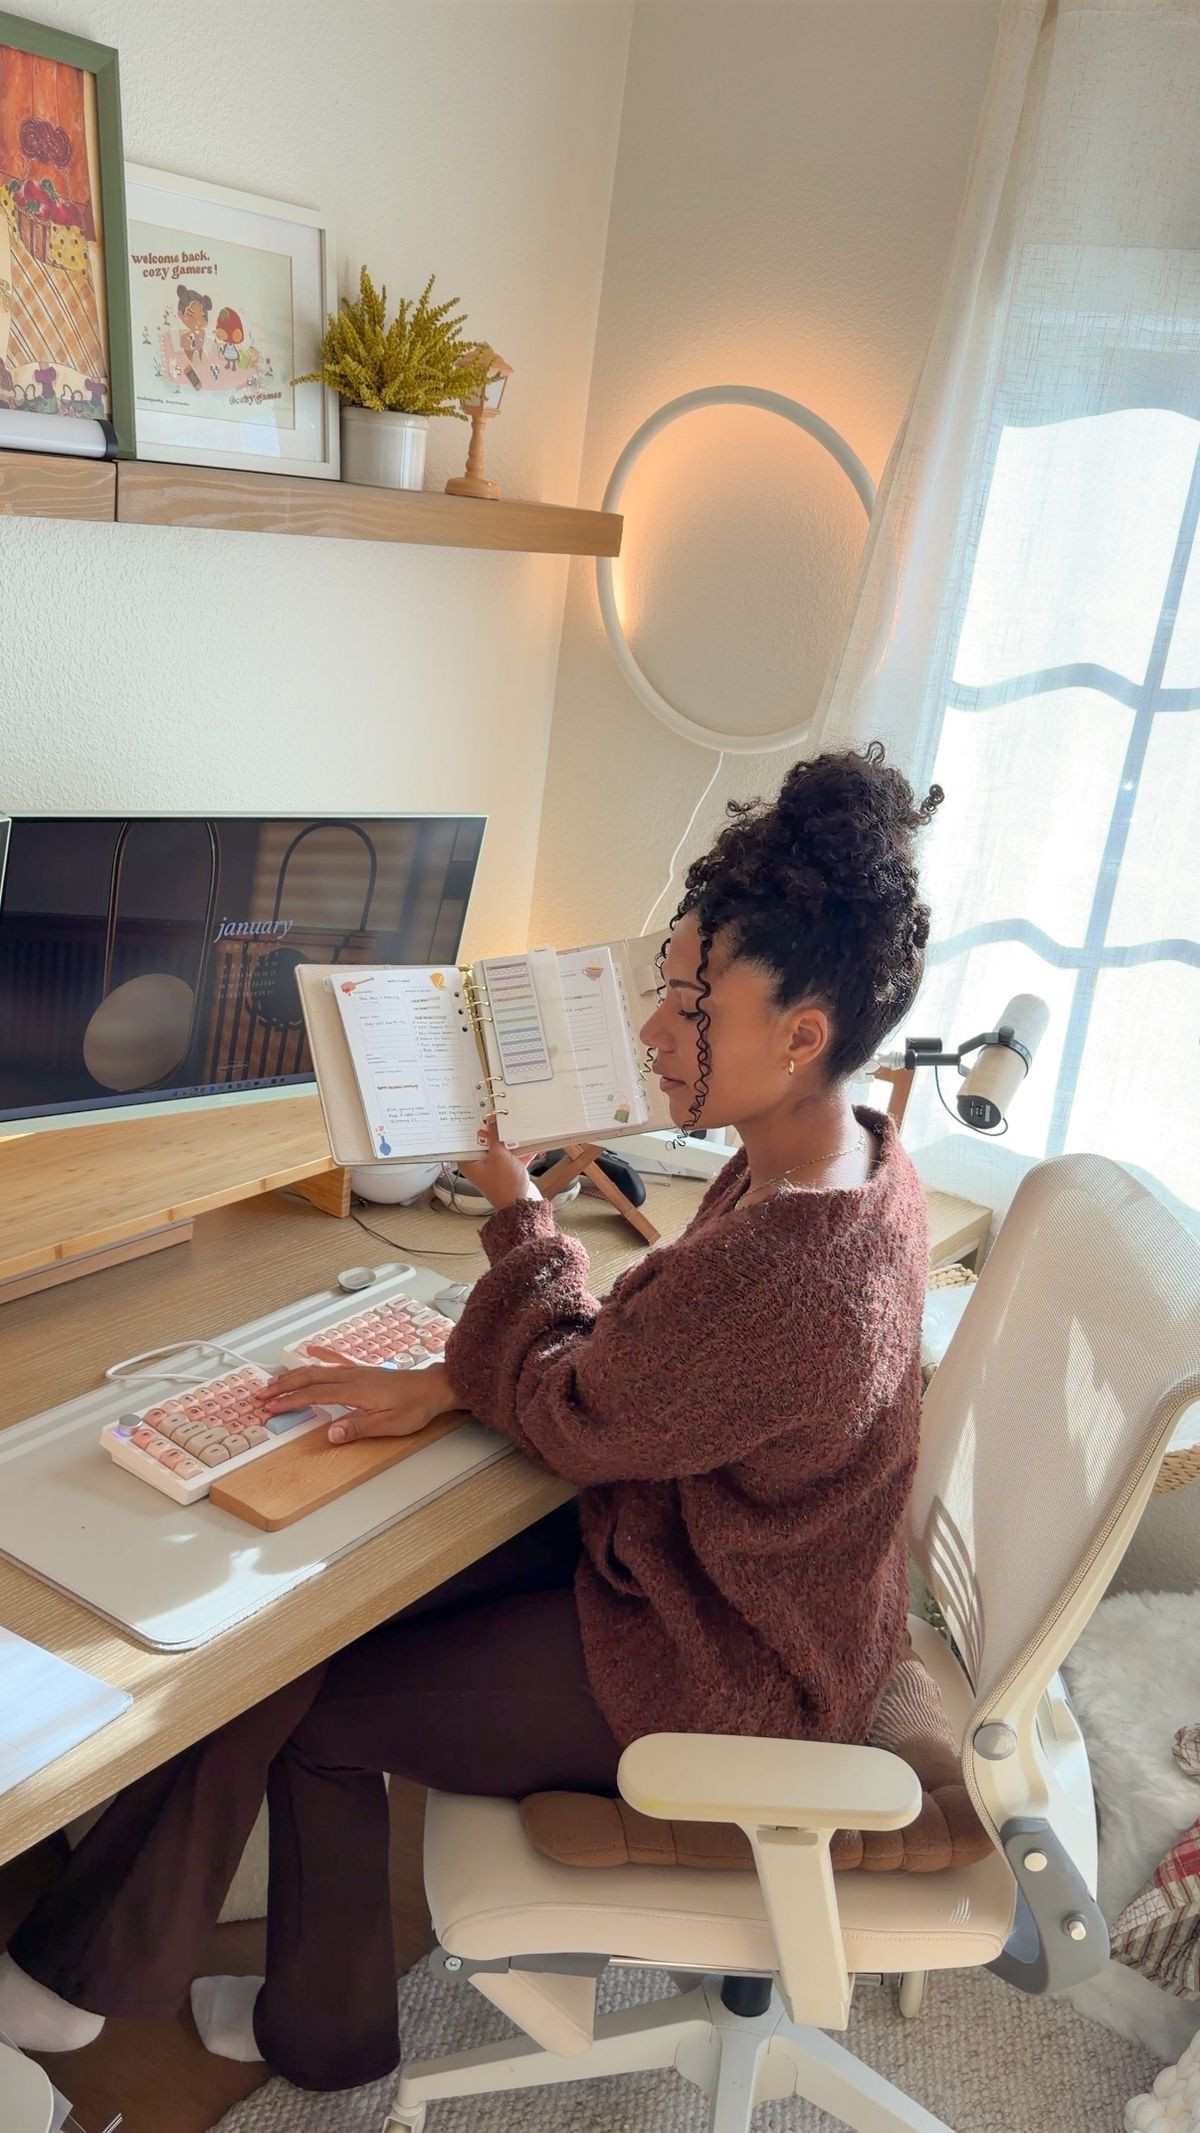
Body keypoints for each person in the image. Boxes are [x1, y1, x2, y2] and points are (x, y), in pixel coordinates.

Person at [0, 746, 942, 2092]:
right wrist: (446, 1376)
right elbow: (637, 1370)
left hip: (725, 1664)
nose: (655, 1030)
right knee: (309, 1608)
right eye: (666, 984)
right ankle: (91, 1972)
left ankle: (303, 2028)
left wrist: (516, 1208)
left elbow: (578, 1407)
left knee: (313, 1696)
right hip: (715, 1576)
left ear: (801, 1034)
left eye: (689, 1001)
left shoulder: (793, 1273)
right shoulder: (843, 1161)